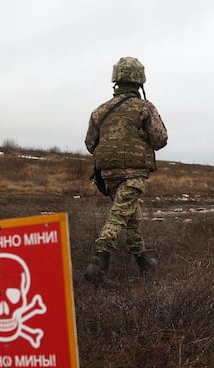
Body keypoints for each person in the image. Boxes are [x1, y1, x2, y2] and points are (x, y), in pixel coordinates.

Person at [83, 57, 168, 284]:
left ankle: (143, 262)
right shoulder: (145, 108)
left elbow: (90, 144)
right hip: (134, 172)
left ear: (116, 79)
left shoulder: (99, 110)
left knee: (131, 216)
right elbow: (160, 139)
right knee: (120, 214)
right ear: (140, 81)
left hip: (108, 174)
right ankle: (99, 262)